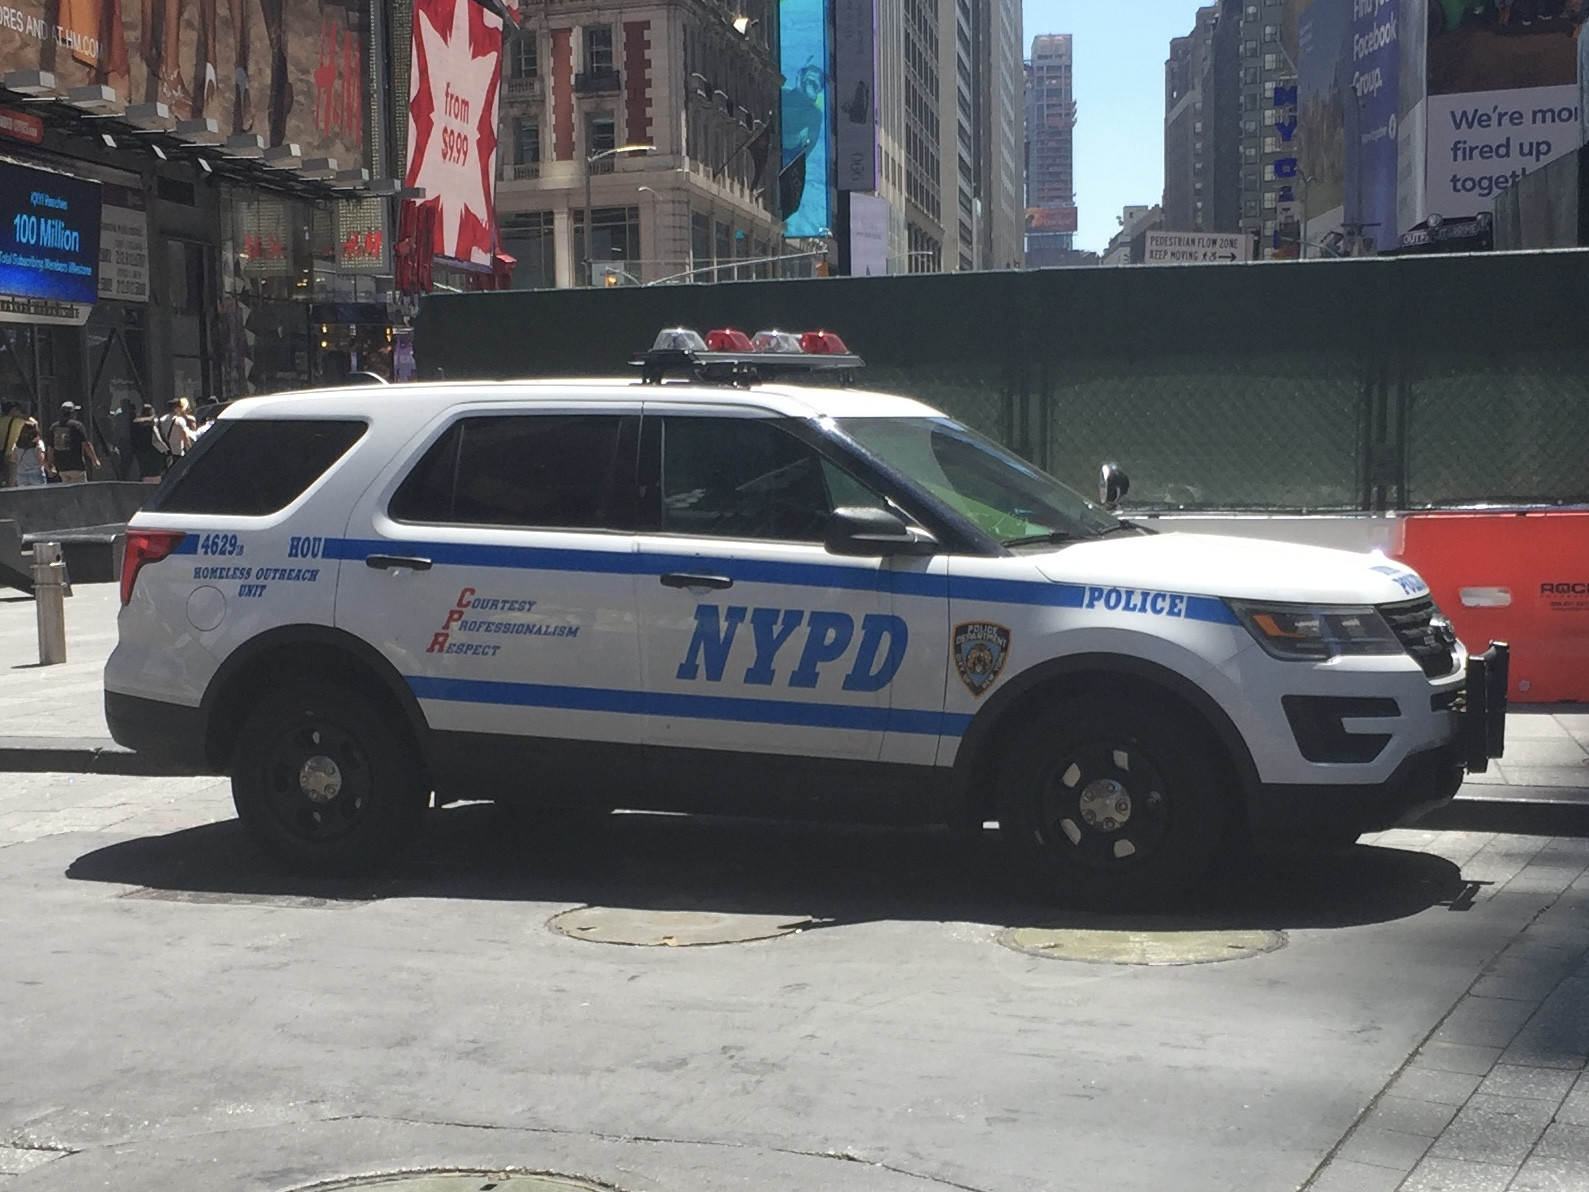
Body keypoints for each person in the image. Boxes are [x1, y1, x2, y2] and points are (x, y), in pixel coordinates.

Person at [46, 401, 100, 483]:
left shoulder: (54, 427)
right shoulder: (77, 426)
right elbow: (86, 444)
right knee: (80, 492)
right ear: (72, 414)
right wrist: (94, 460)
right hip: (76, 466)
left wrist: (50, 464)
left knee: (67, 492)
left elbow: (50, 448)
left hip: (61, 467)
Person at [152, 398, 195, 468]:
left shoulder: (161, 420)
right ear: (177, 408)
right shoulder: (179, 420)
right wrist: (190, 452)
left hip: (165, 454)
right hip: (177, 455)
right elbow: (185, 438)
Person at [1, 400, 34, 487]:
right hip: (11, 455)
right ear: (13, 410)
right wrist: (22, 415)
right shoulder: (18, 421)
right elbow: (34, 424)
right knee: (11, 481)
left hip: (2, 454)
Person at [131, 403, 166, 482]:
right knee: (156, 474)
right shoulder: (154, 423)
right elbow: (161, 437)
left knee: (145, 472)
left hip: (141, 452)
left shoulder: (135, 423)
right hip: (154, 451)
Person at [8, 423, 48, 487]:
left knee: (24, 496)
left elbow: (13, 458)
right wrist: (49, 469)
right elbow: (41, 459)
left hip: (21, 474)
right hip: (36, 473)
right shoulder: (38, 444)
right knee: (39, 496)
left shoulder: (17, 444)